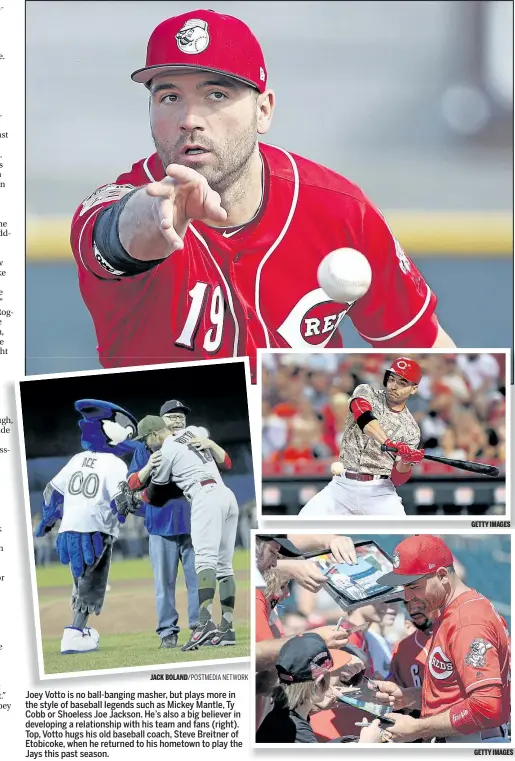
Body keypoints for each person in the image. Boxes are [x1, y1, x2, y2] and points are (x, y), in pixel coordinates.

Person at [70, 9, 455, 383]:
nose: (189, 119)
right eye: (169, 97)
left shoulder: (340, 210)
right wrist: (157, 212)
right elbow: (115, 237)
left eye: (216, 95)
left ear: (263, 111)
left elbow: (429, 354)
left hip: (297, 442)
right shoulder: (116, 202)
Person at [372, 535, 511, 743]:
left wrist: (418, 728)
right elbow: (456, 692)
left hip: (473, 743)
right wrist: (409, 696)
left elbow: (486, 706)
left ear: (442, 576)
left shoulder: (468, 621)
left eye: (413, 586)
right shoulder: (452, 610)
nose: (407, 597)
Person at [35, 399, 138, 654]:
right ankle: (74, 634)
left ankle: (79, 630)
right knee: (91, 584)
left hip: (69, 528)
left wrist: (48, 520)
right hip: (96, 529)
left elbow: (51, 491)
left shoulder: (78, 458)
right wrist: (144, 506)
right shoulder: (115, 463)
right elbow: (121, 502)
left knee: (79, 580)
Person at [134, 413, 238, 651]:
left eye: (146, 439)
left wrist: (136, 497)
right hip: (226, 495)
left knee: (204, 562)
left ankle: (204, 625)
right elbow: (225, 461)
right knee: (225, 566)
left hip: (204, 497)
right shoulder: (192, 434)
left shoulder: (166, 449)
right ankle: (227, 629)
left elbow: (155, 495)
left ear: (153, 434)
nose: (146, 444)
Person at [298, 357, 424, 517]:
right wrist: (389, 443)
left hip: (379, 491)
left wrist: (405, 461)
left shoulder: (412, 430)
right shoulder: (366, 392)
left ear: (414, 389)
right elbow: (363, 417)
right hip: (342, 486)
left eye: (402, 383)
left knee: (404, 531)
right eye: (392, 379)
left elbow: (398, 479)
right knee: (302, 523)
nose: (394, 386)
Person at [127, 399, 199, 649]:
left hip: (194, 523)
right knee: (164, 585)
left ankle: (200, 630)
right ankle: (167, 632)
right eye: (173, 417)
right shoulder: (146, 448)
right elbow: (133, 482)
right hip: (159, 524)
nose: (178, 421)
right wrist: (149, 466)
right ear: (160, 424)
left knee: (198, 581)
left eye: (182, 417)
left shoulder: (194, 442)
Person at [256, 632, 383, 744]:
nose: (336, 683)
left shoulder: (283, 717)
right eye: (333, 674)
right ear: (318, 683)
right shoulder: (297, 732)